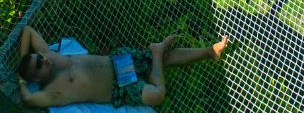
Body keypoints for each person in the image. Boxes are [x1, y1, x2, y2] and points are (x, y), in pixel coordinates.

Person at [16, 25, 228, 109]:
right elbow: (28, 99)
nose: (45, 60)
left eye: (40, 57)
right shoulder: (54, 92)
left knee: (165, 58)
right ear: (36, 78)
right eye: (40, 64)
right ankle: (156, 51)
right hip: (121, 86)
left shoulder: (49, 55)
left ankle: (210, 51)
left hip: (117, 61)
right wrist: (22, 80)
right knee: (157, 95)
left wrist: (25, 57)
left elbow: (27, 31)